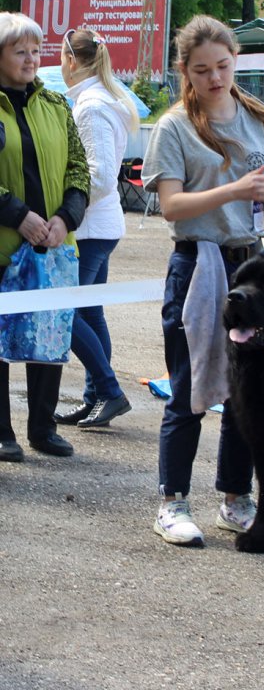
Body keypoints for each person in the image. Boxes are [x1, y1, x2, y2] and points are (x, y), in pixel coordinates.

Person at [141, 15, 264, 546]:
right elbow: (171, 206)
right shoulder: (174, 126)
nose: (214, 78)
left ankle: (236, 496)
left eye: (223, 67)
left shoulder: (258, 120)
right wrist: (234, 191)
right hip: (197, 266)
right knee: (188, 388)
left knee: (248, 391)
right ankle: (172, 501)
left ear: (235, 62)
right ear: (184, 70)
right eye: (202, 70)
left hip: (251, 265)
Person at [0, 12, 90, 462]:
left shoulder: (57, 105)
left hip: (53, 246)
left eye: (36, 50)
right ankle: (2, 433)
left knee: (49, 337)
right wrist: (18, 216)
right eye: (20, 51)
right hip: (4, 245)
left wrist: (64, 218)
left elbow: (79, 169)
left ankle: (43, 428)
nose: (31, 59)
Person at [53, 28, 139, 429]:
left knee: (63, 310)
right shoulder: (104, 98)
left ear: (71, 60)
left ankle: (108, 391)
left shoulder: (90, 105)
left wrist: (65, 211)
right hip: (100, 226)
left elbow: (101, 176)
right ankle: (96, 399)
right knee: (89, 311)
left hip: (89, 228)